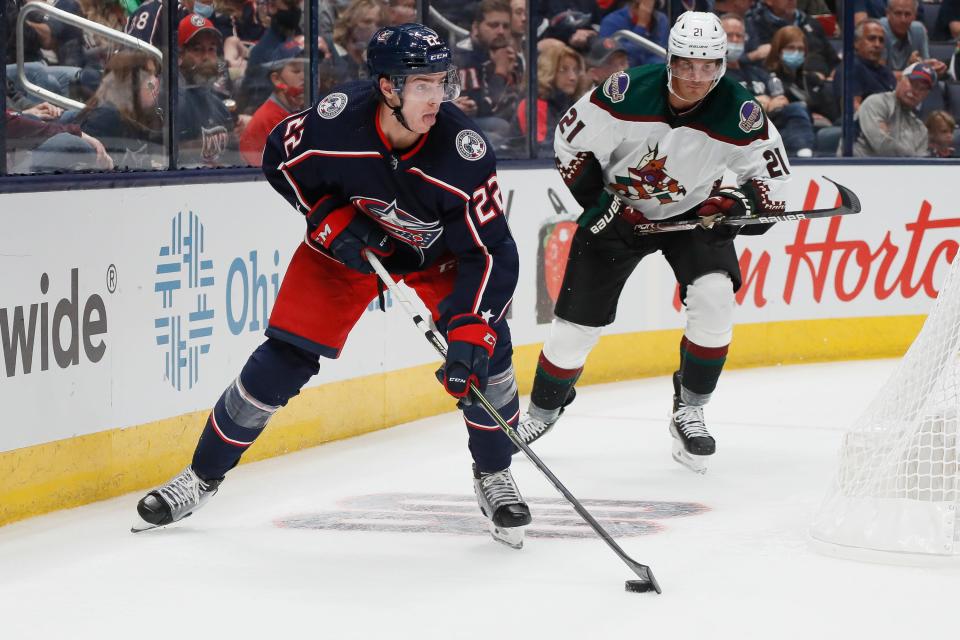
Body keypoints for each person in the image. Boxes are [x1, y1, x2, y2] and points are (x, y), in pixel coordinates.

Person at [134, 23, 531, 549]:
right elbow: (279, 156)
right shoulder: (336, 120)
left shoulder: (464, 151)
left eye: (442, 82)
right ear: (388, 87)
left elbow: (492, 250)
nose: (437, 98)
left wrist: (471, 327)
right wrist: (325, 215)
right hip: (352, 248)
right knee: (284, 356)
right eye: (422, 86)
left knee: (488, 355)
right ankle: (201, 476)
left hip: (440, 260)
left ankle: (494, 473)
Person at [516, 11, 791, 474]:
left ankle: (690, 407)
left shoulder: (740, 111)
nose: (696, 78)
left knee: (715, 298)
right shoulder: (626, 92)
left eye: (708, 67)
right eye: (686, 65)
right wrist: (601, 206)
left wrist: (731, 207)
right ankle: (543, 410)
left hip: (691, 215)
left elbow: (772, 180)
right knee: (573, 331)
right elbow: (569, 141)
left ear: (721, 66)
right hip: (616, 213)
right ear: (670, 61)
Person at [74, 51, 164, 170]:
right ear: (127, 83)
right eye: (148, 75)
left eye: (155, 74)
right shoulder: (105, 119)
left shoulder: (138, 119)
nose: (155, 81)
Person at [177, 14, 239, 167]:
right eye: (197, 49)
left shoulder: (219, 105)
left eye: (211, 49)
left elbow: (234, 161)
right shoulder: (171, 101)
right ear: (180, 54)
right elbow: (163, 154)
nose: (206, 57)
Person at [239, 39, 306, 165]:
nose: (305, 77)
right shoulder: (272, 120)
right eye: (296, 71)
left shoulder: (291, 111)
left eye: (307, 70)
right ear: (276, 79)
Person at [849, 61, 934, 157]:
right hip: (857, 169)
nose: (915, 91)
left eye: (922, 89)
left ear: (926, 95)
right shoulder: (876, 103)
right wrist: (911, 154)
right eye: (912, 83)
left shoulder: (920, 129)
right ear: (900, 79)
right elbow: (883, 147)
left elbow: (920, 166)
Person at [512, 43, 585, 152]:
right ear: (548, 72)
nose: (573, 77)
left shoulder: (574, 106)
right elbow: (542, 149)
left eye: (575, 70)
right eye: (563, 70)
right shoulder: (533, 106)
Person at [832, 18, 896, 114]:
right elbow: (853, 111)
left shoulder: (886, 72)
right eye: (871, 39)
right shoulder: (850, 68)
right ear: (856, 43)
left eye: (881, 40)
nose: (877, 44)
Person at [880, 0, 947, 76]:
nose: (903, 20)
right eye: (898, 13)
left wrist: (930, 67)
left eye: (908, 14)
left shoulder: (919, 31)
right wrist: (911, 70)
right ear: (887, 13)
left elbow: (924, 67)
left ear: (915, 16)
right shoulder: (879, 31)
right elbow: (881, 76)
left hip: (913, 85)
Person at [598, 0, 669, 68]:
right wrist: (641, 25)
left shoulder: (661, 19)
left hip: (651, 74)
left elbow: (660, 54)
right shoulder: (611, 22)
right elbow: (623, 57)